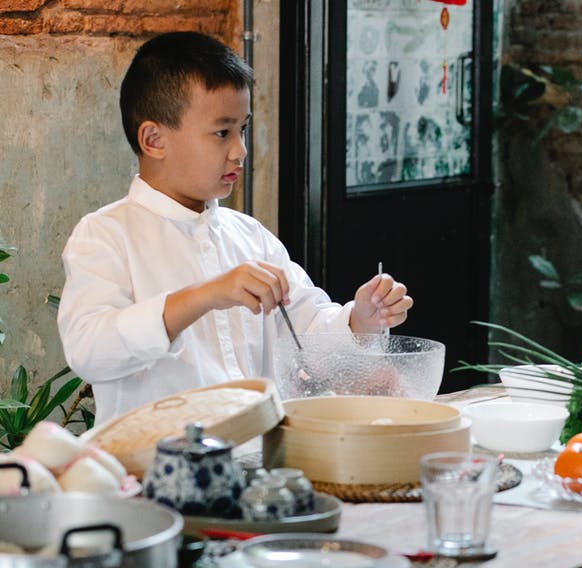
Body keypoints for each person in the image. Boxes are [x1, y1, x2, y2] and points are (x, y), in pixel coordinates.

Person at [57, 32, 413, 424]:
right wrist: (206, 294)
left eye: (242, 129)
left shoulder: (251, 237)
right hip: (154, 473)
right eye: (222, 132)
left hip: (258, 466)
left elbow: (305, 333)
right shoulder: (105, 235)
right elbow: (89, 351)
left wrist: (359, 319)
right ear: (154, 139)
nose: (240, 150)